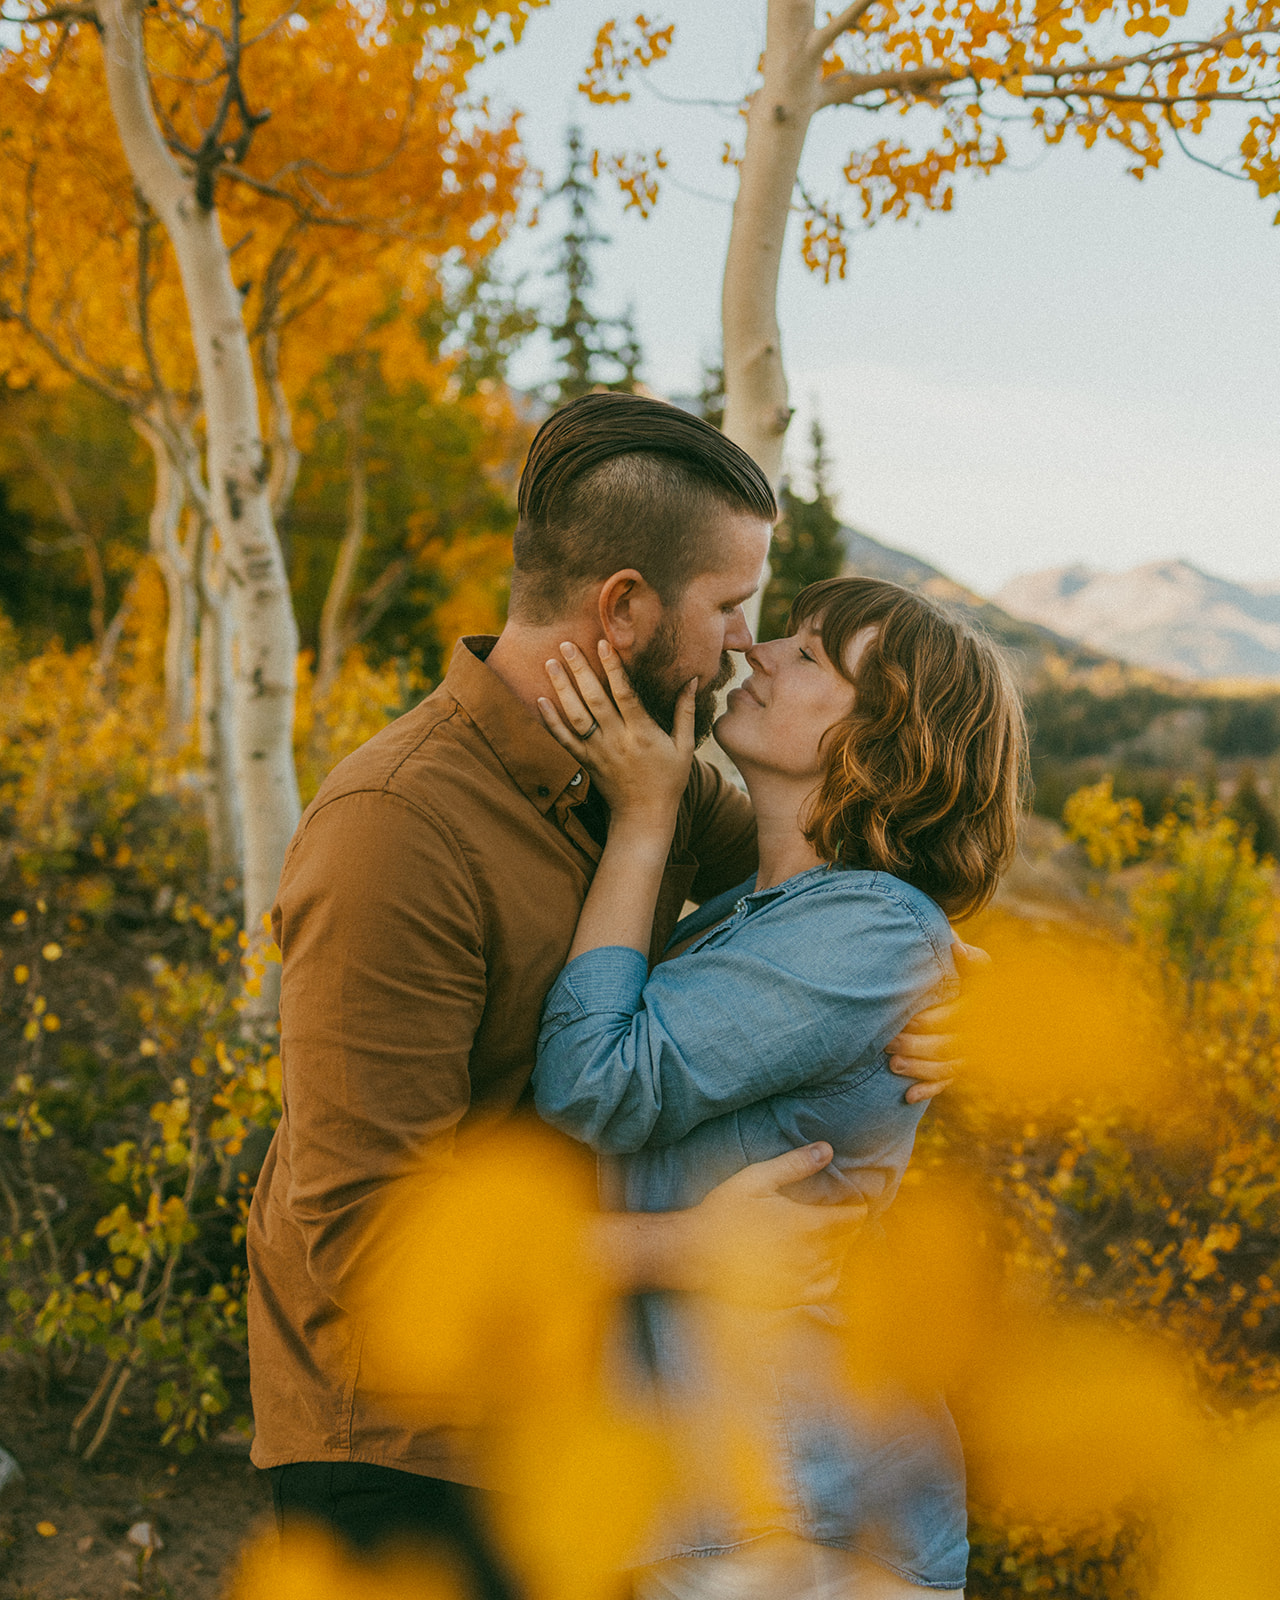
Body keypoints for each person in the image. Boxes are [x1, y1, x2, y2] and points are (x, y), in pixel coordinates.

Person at [247, 395, 966, 1598]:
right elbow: (367, 1236)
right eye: (730, 604)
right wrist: (691, 1245)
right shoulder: (396, 831)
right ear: (623, 606)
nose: (745, 640)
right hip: (411, 1449)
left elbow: (837, 893)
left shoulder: (654, 781)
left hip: (597, 1445)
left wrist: (957, 996)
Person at [533, 575, 1027, 1599]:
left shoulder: (867, 929)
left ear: (879, 745)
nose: (757, 652)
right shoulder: (746, 916)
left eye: (806, 656)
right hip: (724, 1513)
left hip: (814, 1525)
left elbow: (595, 1082)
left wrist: (640, 821)